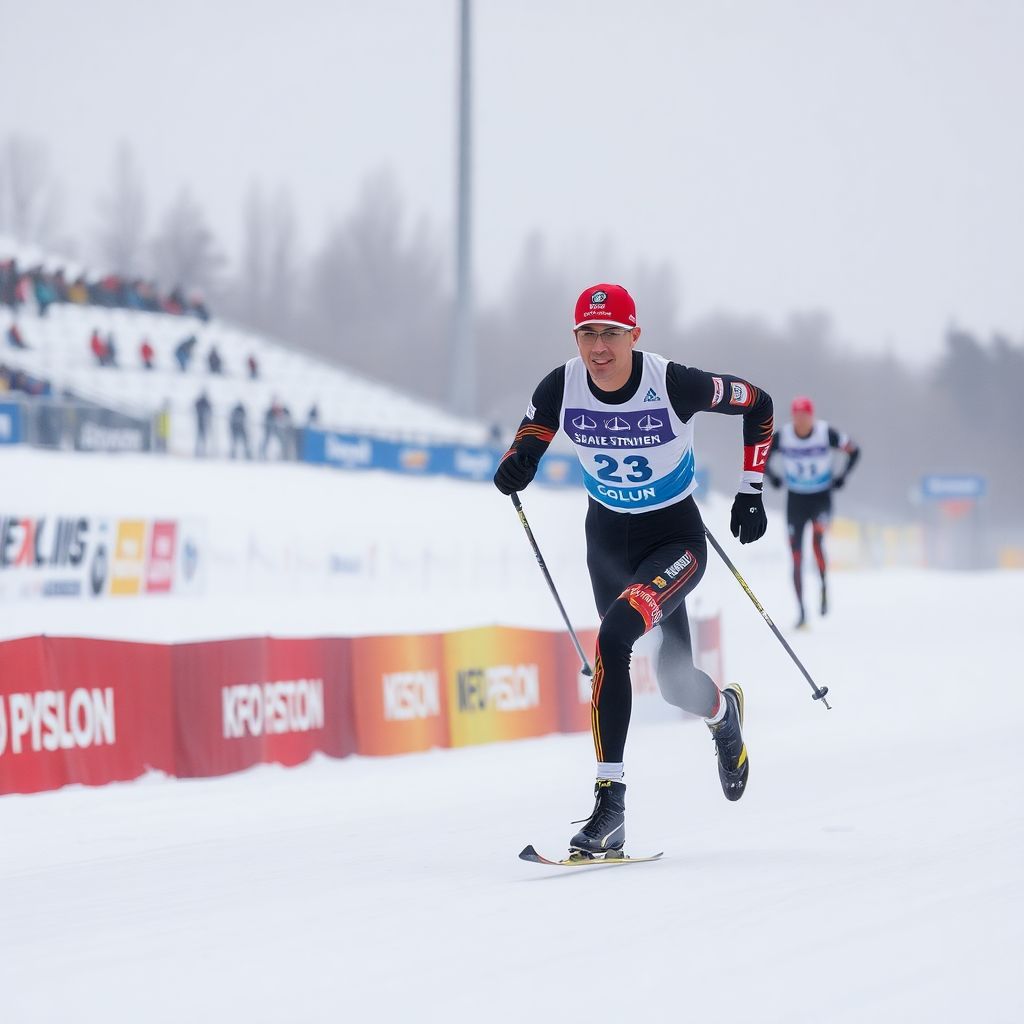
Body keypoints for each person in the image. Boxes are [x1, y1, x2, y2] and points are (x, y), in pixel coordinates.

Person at [493, 283, 773, 858]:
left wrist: (751, 490)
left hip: (675, 537)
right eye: (588, 334)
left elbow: (759, 404)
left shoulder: (673, 383)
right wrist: (517, 465)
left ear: (634, 335)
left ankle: (610, 807)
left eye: (611, 334)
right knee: (674, 683)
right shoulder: (561, 384)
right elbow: (530, 438)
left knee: (616, 634)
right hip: (607, 540)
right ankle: (724, 713)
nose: (599, 347)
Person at [765, 396, 860, 628]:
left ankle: (824, 586)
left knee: (817, 541)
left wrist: (841, 477)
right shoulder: (784, 436)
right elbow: (761, 455)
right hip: (796, 500)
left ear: (812, 416)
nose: (801, 421)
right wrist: (773, 478)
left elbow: (854, 451)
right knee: (796, 556)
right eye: (797, 416)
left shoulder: (825, 433)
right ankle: (802, 612)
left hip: (820, 498)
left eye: (805, 417)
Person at [194, 390, 212, 457]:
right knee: (199, 438)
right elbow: (195, 405)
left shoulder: (206, 402)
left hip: (204, 423)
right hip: (200, 422)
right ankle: (197, 452)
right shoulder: (200, 401)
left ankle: (203, 451)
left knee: (203, 438)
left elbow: (210, 409)